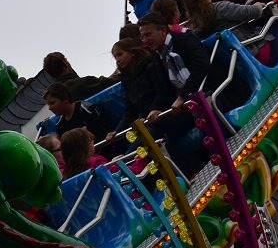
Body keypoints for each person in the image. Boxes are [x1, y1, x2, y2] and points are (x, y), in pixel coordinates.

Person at [113, 14, 211, 178]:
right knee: (154, 134)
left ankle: (192, 170)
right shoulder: (158, 56)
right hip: (180, 105)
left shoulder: (183, 40)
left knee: (158, 132)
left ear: (163, 30)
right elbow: (163, 91)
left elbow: (202, 67)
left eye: (148, 35)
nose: (145, 40)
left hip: (202, 94)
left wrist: (180, 97)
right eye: (142, 36)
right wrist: (155, 111)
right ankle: (128, 165)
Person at [180, 0, 272, 63]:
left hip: (234, 63)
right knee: (276, 23)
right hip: (254, 53)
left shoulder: (192, 25)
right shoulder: (220, 8)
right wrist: (258, 5)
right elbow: (253, 12)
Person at [43, 82, 112, 142]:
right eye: (48, 105)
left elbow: (105, 135)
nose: (50, 108)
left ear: (65, 99)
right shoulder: (59, 125)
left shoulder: (88, 110)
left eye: (52, 103)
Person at [42, 52, 118, 100]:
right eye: (66, 60)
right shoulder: (83, 83)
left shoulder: (57, 95)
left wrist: (115, 72)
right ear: (65, 63)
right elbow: (110, 83)